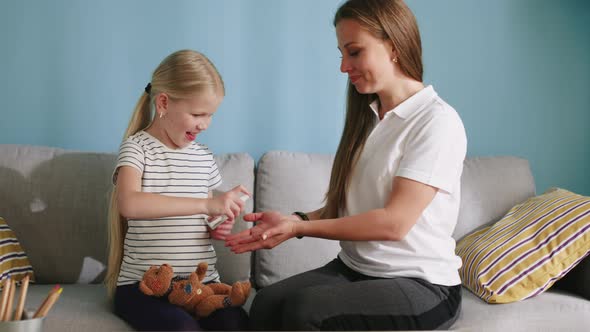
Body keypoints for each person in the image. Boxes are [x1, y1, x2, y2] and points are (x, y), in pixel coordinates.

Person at [226, 0, 467, 330]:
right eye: (341, 53)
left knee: (306, 309)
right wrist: (293, 220)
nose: (343, 66)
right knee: (267, 303)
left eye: (353, 52)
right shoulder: (369, 118)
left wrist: (300, 229)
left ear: (393, 47)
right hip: (357, 270)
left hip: (422, 284)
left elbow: (392, 224)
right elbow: (347, 209)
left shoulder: (436, 121)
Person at [105, 49, 250, 331]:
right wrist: (207, 206)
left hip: (199, 286)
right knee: (182, 329)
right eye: (197, 114)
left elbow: (205, 220)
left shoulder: (203, 156)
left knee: (236, 322)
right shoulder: (137, 148)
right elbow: (130, 204)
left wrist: (218, 224)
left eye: (210, 115)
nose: (205, 124)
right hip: (145, 287)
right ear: (163, 103)